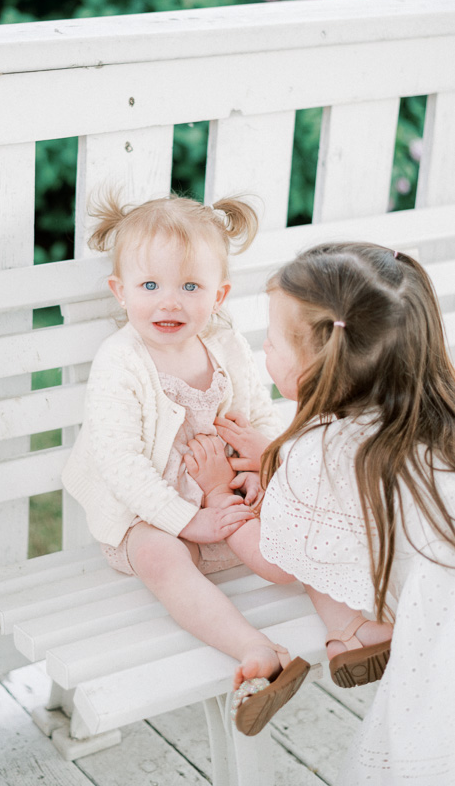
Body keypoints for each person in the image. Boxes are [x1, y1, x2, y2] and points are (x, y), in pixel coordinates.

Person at [193, 242, 455, 782]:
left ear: (318, 365)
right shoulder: (431, 415)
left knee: (307, 541)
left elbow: (278, 562)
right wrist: (275, 454)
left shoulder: (318, 452)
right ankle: (357, 632)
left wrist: (221, 496)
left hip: (440, 643)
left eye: (269, 341)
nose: (262, 350)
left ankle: (357, 630)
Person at [62, 193, 310, 736]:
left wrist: (257, 459)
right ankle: (256, 649)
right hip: (149, 514)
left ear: (218, 295)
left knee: (294, 521)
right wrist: (185, 519)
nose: (168, 303)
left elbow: (258, 414)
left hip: (222, 498)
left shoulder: (224, 345)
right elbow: (120, 464)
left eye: (190, 287)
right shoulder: (120, 362)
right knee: (158, 555)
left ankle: (350, 620)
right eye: (150, 286)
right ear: (120, 292)